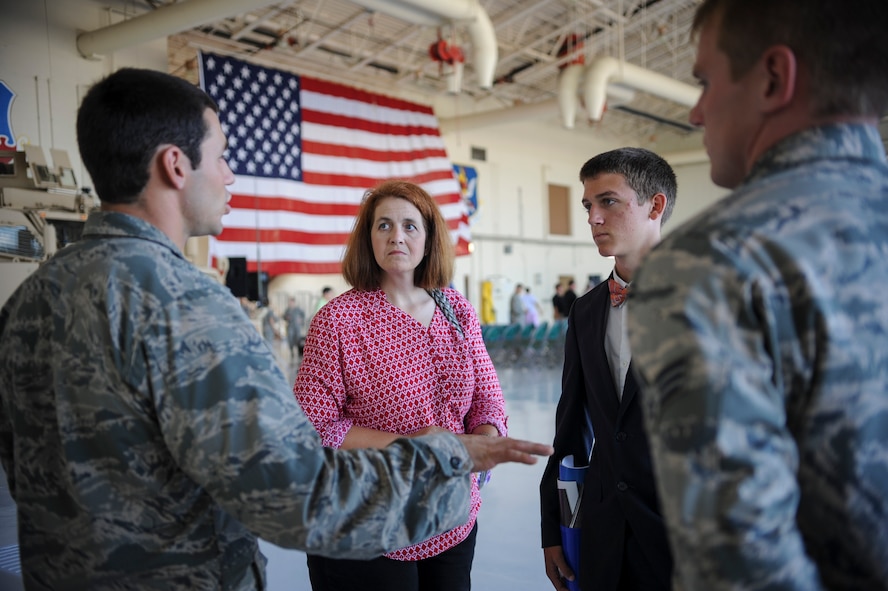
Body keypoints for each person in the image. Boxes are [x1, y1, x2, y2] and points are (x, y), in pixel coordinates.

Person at [0, 68, 552, 590]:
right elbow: (298, 494)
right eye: (221, 156)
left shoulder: (28, 299)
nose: (231, 174)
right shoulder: (192, 308)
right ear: (175, 165)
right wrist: (448, 454)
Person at [627, 1, 888, 589]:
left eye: (705, 81)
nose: (695, 112)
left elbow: (739, 569)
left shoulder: (710, 263)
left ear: (773, 78)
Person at [293, 179, 508, 591]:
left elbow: (487, 397)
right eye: (384, 225)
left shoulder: (455, 307)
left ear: (428, 239)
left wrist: (486, 442)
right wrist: (410, 443)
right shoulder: (339, 321)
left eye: (410, 226)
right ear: (368, 238)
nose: (396, 236)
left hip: (449, 513)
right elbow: (312, 428)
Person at [540, 148, 677, 591]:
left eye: (608, 202)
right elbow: (571, 428)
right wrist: (556, 528)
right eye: (587, 206)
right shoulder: (585, 311)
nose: (593, 218)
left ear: (655, 206)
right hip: (602, 532)